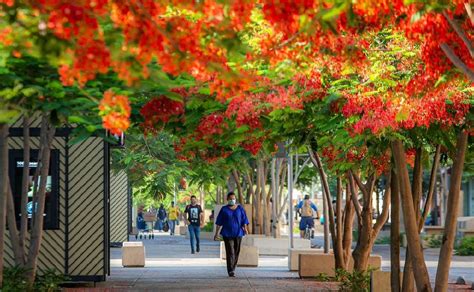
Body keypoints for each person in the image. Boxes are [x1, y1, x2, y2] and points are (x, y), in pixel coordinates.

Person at [214, 192, 249, 277]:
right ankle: (230, 270)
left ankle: (233, 267)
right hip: (227, 233)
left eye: (233, 198)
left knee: (236, 251)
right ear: (227, 199)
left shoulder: (240, 208)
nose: (232, 200)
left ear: (235, 199)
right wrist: (216, 233)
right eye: (231, 199)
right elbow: (219, 222)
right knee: (230, 252)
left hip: (238, 233)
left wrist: (246, 228)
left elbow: (244, 219)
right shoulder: (224, 209)